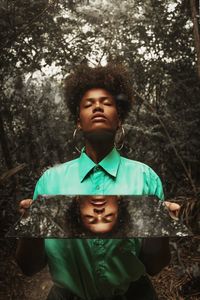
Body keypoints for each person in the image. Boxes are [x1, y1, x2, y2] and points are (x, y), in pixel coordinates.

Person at [16, 64, 180, 300]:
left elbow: (154, 266)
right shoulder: (50, 182)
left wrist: (162, 228)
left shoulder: (145, 178)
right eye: (88, 104)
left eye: (107, 102)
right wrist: (28, 227)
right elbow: (28, 267)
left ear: (119, 119)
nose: (98, 107)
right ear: (78, 122)